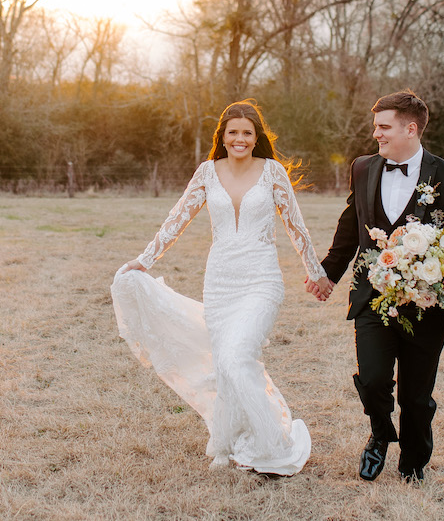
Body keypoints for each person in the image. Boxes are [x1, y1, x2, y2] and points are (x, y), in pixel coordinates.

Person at [112, 99, 334, 476]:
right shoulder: (207, 173)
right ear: (223, 136)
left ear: (256, 137)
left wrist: (317, 273)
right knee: (226, 363)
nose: (240, 139)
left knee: (236, 355)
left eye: (247, 133)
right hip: (219, 283)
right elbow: (176, 219)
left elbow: (296, 227)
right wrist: (144, 260)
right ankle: (226, 441)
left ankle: (273, 444)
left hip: (261, 280)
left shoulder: (273, 172)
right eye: (233, 132)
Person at [307, 89, 444, 484]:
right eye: (375, 127)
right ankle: (380, 436)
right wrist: (327, 274)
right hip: (372, 296)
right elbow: (350, 226)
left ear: (411, 128)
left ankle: (414, 460)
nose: (376, 135)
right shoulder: (364, 167)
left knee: (415, 398)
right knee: (371, 379)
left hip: (427, 305)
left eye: (383, 127)